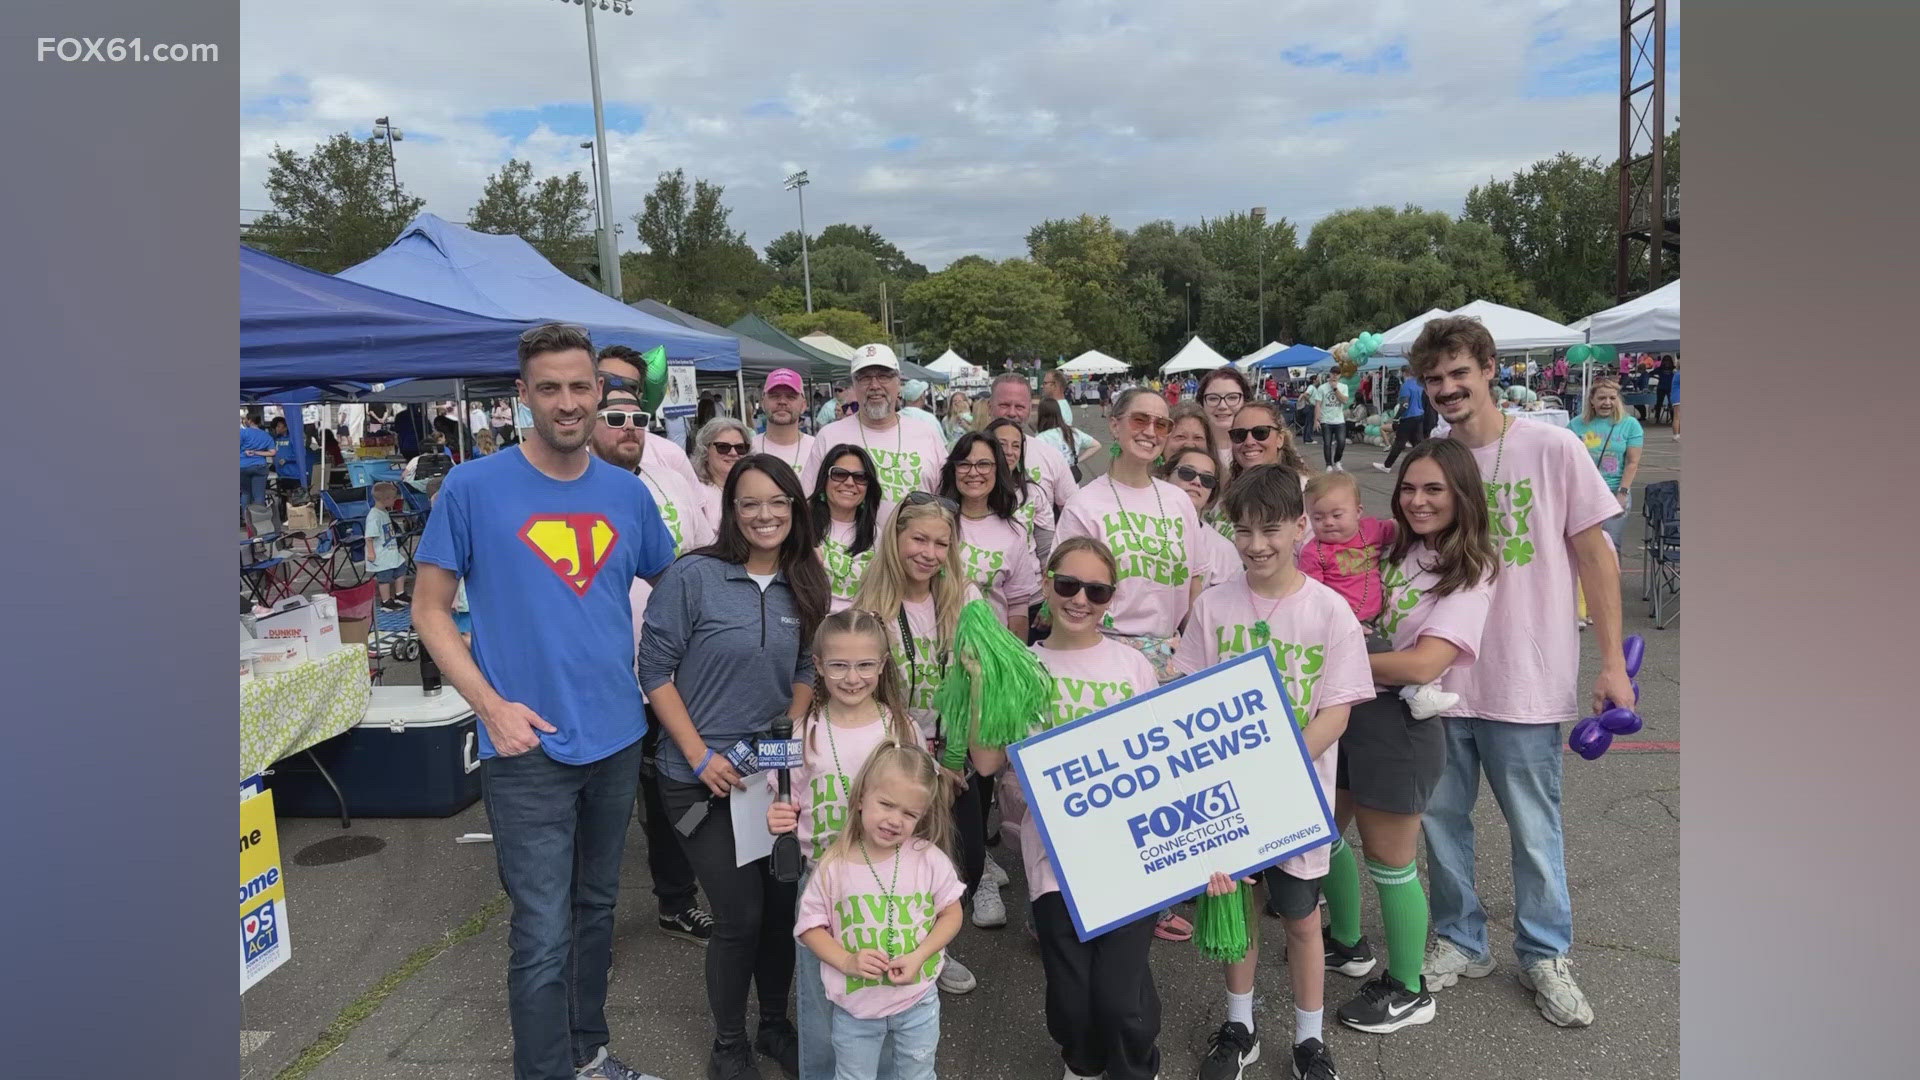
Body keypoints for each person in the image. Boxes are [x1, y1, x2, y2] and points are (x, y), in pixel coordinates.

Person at [411, 323, 679, 1080]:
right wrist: (490, 706)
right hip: (525, 747)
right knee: (540, 930)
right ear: (522, 396)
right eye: (550, 388)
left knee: (596, 912)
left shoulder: (627, 494)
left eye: (580, 387)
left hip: (618, 736)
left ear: (602, 392)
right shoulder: (473, 487)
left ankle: (589, 1055)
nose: (568, 402)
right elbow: (430, 609)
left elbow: (678, 589)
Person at [1408, 315, 1628, 1028]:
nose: (1445, 388)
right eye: (1434, 378)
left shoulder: (1552, 446)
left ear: (1489, 368)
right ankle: (1462, 939)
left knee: (1534, 828)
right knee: (1442, 823)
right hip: (1442, 677)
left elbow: (1596, 556)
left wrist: (1612, 666)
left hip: (1527, 672)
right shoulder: (1429, 457)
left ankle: (1544, 953)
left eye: (1457, 373)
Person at [1174, 465, 1374, 1080]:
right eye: (1244, 531)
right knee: (1234, 910)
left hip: (1293, 796)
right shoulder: (1213, 606)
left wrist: (1271, 769)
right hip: (1225, 801)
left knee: (1301, 918)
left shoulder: (1330, 611)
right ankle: (1241, 1026)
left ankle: (1309, 1039)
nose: (1257, 544)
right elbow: (1186, 695)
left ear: (1300, 528)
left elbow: (1335, 713)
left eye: (1271, 530)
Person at [636, 453, 829, 1080]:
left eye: (778, 501)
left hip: (770, 773)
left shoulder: (807, 579)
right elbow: (653, 670)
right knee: (739, 914)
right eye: (749, 503)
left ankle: (774, 1024)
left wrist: (785, 730)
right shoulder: (694, 576)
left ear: (796, 508)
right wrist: (699, 754)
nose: (764, 514)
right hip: (697, 778)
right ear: (731, 511)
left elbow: (804, 670)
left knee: (781, 908)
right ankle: (728, 1043)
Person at [1318, 438, 1497, 1036]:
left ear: (1462, 495)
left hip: (1400, 724)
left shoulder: (1469, 570)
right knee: (1322, 832)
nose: (1417, 501)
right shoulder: (1394, 549)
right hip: (1347, 712)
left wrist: (1326, 659)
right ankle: (1346, 943)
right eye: (1409, 488)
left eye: (1434, 489)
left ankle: (1409, 988)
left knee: (1390, 862)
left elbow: (1424, 664)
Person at [970, 537, 1164, 1080]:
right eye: (1068, 584)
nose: (1081, 599)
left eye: (1097, 590)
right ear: (1048, 584)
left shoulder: (1131, 667)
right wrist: (986, 681)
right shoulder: (1024, 666)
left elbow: (1168, 764)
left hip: (1132, 853)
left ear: (1112, 598)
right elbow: (986, 762)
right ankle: (1082, 1061)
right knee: (1073, 995)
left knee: (1120, 996)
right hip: (1052, 856)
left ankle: (1134, 1066)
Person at [766, 609, 923, 1080]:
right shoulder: (799, 732)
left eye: (864, 665)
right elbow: (781, 800)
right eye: (838, 665)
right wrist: (777, 819)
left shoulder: (901, 729)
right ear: (817, 664)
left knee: (890, 986)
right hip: (823, 878)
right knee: (819, 994)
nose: (852, 677)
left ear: (882, 665)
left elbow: (922, 806)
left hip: (891, 880)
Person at [588, 381, 716, 949]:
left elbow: (691, 564)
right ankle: (590, 928)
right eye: (613, 416)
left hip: (666, 669)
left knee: (670, 793)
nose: (629, 426)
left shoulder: (666, 475)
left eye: (638, 414)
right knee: (600, 805)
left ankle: (676, 902)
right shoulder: (567, 490)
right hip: (602, 676)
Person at [849, 496, 987, 996]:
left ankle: (933, 946)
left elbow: (978, 683)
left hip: (954, 753)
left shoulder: (965, 598)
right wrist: (923, 763)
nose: (929, 553)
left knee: (961, 862)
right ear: (896, 540)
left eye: (940, 543)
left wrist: (950, 760)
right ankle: (904, 951)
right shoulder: (873, 606)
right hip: (895, 753)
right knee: (898, 859)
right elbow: (866, 694)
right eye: (919, 540)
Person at [794, 743, 965, 1080]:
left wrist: (921, 954)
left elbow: (952, 913)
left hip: (918, 1002)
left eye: (909, 814)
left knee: (919, 1074)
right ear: (860, 799)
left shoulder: (929, 859)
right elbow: (811, 926)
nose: (894, 820)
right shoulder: (834, 864)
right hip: (855, 1010)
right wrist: (846, 961)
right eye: (886, 804)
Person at [1054, 387, 1204, 686]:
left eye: (1162, 424)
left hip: (1171, 660)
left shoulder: (1179, 501)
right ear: (1114, 425)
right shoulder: (1084, 505)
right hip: (1103, 658)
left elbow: (1193, 585)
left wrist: (1195, 649)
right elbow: (1065, 593)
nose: (1150, 431)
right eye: (1139, 420)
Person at [1299, 470, 1457, 719]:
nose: (1328, 523)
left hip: (1375, 617)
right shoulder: (1314, 552)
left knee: (1387, 649)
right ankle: (1415, 694)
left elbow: (1402, 529)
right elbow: (1312, 597)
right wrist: (1338, 623)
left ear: (1358, 512)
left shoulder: (1371, 531)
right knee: (1380, 654)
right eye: (1318, 518)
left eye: (1337, 515)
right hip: (1346, 623)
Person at [803, 345, 946, 506]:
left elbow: (946, 497)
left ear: (898, 383)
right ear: (854, 385)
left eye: (884, 376)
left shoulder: (927, 434)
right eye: (864, 378)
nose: (875, 386)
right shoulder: (829, 436)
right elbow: (809, 500)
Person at [938, 433, 1040, 640]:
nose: (973, 472)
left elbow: (1018, 606)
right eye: (964, 464)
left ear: (997, 470)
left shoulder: (1014, 532)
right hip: (938, 648)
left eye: (984, 464)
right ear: (953, 470)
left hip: (990, 653)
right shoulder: (935, 523)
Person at [597, 346, 704, 492]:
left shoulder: (669, 455)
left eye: (629, 386)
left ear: (640, 394)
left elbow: (695, 511)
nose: (617, 391)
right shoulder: (569, 452)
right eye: (607, 383)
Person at [1567, 378, 1644, 551]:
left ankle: (1613, 579)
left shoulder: (1630, 425)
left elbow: (1632, 462)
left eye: (1612, 398)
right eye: (1602, 398)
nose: (1607, 403)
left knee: (1611, 546)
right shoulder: (1576, 424)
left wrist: (1622, 493)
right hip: (1584, 493)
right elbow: (1565, 458)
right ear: (1592, 400)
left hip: (1614, 491)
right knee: (1584, 547)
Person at [810, 445, 889, 614]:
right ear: (824, 480)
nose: (849, 482)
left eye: (860, 477)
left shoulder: (877, 536)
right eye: (839, 474)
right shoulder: (801, 527)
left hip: (858, 629)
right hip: (809, 629)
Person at [987, 373, 1079, 517]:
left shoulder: (1050, 456)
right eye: (1004, 405)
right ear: (989, 407)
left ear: (1030, 409)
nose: (1012, 413)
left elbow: (1073, 511)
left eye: (1019, 407)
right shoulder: (968, 452)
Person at [1160, 448, 1239, 590]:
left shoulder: (1223, 550)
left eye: (1207, 480)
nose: (1197, 482)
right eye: (1187, 473)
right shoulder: (1136, 526)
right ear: (1165, 477)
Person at [984, 418, 1054, 566]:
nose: (1009, 452)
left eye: (1016, 446)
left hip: (1030, 582)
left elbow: (1046, 550)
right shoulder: (971, 490)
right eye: (1001, 445)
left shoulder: (1033, 493)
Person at [692, 417, 754, 533]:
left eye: (740, 448)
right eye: (723, 447)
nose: (733, 453)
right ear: (705, 450)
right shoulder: (695, 493)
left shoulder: (755, 487)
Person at [753, 369, 817, 477]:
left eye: (791, 397)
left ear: (803, 405)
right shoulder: (747, 450)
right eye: (774, 396)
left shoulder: (817, 449)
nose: (782, 402)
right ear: (763, 403)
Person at [364, 481, 410, 611]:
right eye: (394, 498)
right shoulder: (374, 516)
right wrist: (371, 553)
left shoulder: (383, 512)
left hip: (390, 551)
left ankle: (399, 594)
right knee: (384, 578)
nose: (396, 500)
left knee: (401, 568)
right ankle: (386, 601)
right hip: (381, 554)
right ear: (387, 499)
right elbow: (369, 537)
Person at [1376, 366, 1427, 473]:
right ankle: (1426, 463)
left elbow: (1404, 404)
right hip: (1419, 415)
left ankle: (1387, 465)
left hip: (1408, 417)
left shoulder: (1405, 386)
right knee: (1417, 442)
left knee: (1399, 442)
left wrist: (1396, 418)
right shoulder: (1419, 384)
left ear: (1404, 373)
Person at [1034, 398, 1099, 476]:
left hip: (1052, 480)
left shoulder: (1041, 438)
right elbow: (1096, 445)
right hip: (1072, 480)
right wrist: (1076, 461)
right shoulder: (1073, 432)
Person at [1166, 402, 1225, 468]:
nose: (1189, 445)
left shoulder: (1225, 478)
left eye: (1197, 438)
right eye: (1180, 437)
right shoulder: (1152, 478)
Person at [1311, 373, 1351, 471]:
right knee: (1327, 443)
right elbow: (1318, 405)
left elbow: (1345, 401)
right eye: (1333, 374)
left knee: (1341, 442)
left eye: (1337, 374)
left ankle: (1337, 461)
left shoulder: (1343, 387)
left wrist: (1335, 389)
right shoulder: (1322, 388)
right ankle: (1328, 464)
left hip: (1339, 420)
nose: (1334, 376)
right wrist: (1316, 420)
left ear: (1339, 376)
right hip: (1326, 420)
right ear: (1330, 374)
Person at [241, 413, 276, 508]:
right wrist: (256, 453)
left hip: (243, 466)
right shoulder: (266, 435)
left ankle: (246, 520)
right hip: (260, 466)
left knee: (246, 493)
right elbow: (272, 452)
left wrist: (245, 451)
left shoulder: (243, 433)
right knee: (259, 495)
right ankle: (259, 520)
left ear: (249, 420)